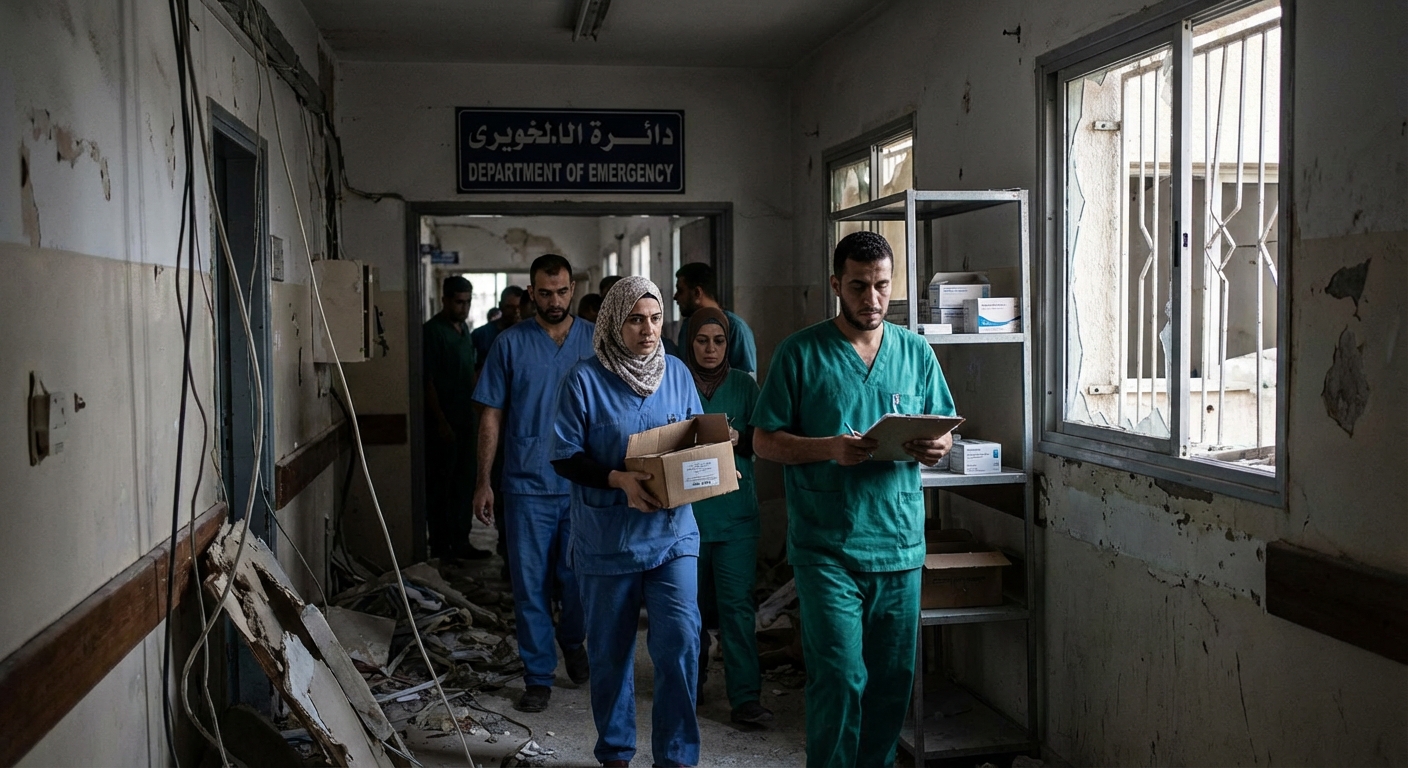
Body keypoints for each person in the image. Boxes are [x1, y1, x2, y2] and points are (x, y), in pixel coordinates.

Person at [751, 231, 956, 768]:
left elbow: (943, 429)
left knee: (892, 682)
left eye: (882, 286)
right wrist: (829, 448)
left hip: (898, 544)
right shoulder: (801, 353)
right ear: (836, 285)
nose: (872, 298)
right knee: (840, 677)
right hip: (828, 546)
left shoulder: (915, 352)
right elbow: (764, 441)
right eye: (859, 286)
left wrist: (937, 448)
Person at [550, 277, 704, 768]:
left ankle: (676, 757)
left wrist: (714, 466)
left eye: (655, 319)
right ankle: (616, 753)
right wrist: (617, 479)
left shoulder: (677, 373)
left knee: (680, 644)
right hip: (608, 541)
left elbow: (695, 438)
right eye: (635, 320)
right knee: (611, 654)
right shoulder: (584, 379)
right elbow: (564, 456)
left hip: (672, 535)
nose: (648, 330)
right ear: (614, 323)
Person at [472, 255, 595, 713]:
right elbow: (491, 415)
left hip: (582, 484)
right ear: (531, 293)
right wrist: (483, 481)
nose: (555, 301)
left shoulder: (595, 340)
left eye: (562, 292)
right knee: (530, 586)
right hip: (526, 485)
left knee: (580, 582)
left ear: (572, 289)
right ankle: (538, 675)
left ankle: (572, 639)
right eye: (545, 293)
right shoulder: (509, 344)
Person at [683, 307, 772, 727]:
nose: (711, 349)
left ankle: (745, 697)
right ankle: (689, 685)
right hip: (687, 518)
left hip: (735, 517)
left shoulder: (744, 386)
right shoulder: (674, 381)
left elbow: (766, 440)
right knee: (689, 610)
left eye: (719, 341)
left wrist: (739, 437)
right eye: (702, 341)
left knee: (737, 610)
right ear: (690, 343)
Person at [422, 276, 490, 560]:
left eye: (467, 302)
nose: (464, 308)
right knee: (442, 485)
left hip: (466, 420)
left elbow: (469, 372)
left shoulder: (464, 332)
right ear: (445, 300)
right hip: (444, 422)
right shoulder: (432, 332)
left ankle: (461, 541)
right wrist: (440, 421)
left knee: (464, 482)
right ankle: (441, 545)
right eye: (459, 302)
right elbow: (427, 381)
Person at [672, 262, 756, 374]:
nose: (675, 297)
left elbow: (746, 379)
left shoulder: (736, 328)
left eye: (680, 290)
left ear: (697, 293)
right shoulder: (687, 327)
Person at [472, 285, 525, 371]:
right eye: (510, 307)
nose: (516, 311)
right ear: (500, 306)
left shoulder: (529, 336)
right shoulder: (481, 334)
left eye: (519, 307)